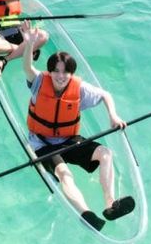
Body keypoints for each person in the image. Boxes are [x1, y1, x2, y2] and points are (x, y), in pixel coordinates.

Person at [21, 29, 136, 232]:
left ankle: (110, 204)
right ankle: (86, 214)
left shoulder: (79, 88)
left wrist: (113, 115)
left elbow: (105, 95)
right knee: (64, 174)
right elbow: (27, 67)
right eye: (56, 71)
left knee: (105, 153)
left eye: (65, 72)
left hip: (68, 139)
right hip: (42, 143)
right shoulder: (38, 82)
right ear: (49, 71)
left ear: (71, 73)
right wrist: (29, 44)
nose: (61, 76)